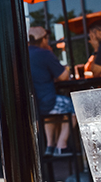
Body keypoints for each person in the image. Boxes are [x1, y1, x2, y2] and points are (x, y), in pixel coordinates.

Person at [27, 26, 73, 157]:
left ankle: (50, 146)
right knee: (75, 108)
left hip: (34, 106)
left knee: (51, 114)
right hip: (47, 102)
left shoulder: (23, 55)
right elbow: (63, 76)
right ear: (44, 39)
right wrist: (67, 68)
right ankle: (61, 146)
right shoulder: (44, 53)